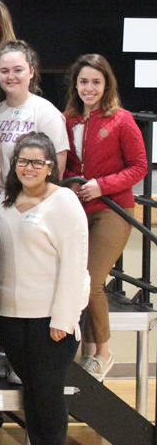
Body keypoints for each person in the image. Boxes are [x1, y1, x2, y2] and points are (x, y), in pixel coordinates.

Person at [0, 132, 90, 445]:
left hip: (51, 320)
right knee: (32, 393)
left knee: (48, 394)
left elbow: (75, 267)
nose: (29, 168)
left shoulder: (64, 202)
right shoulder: (4, 200)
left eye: (38, 162)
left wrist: (64, 320)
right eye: (23, 161)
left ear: (51, 166)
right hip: (10, 316)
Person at [63, 54, 148, 381]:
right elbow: (69, 166)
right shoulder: (68, 120)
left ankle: (104, 352)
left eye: (96, 82)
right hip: (78, 211)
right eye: (83, 81)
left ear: (106, 84)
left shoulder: (122, 120)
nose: (89, 88)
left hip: (113, 210)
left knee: (92, 281)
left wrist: (103, 186)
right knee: (75, 282)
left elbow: (139, 166)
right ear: (75, 84)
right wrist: (72, 185)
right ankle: (85, 353)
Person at [0, 40, 68, 187]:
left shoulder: (47, 114)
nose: (11, 77)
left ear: (31, 72)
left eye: (18, 70)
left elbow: (57, 170)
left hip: (34, 201)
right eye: (4, 71)